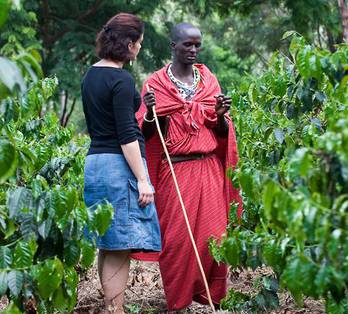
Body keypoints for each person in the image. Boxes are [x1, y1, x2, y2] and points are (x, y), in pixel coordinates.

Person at [131, 22, 242, 311]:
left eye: (197, 45)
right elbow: (145, 134)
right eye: (187, 45)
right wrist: (153, 114)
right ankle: (178, 303)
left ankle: (209, 299)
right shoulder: (156, 84)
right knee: (178, 242)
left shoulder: (209, 82)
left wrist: (219, 116)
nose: (193, 50)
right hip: (174, 171)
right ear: (173, 46)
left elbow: (220, 133)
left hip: (208, 170)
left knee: (214, 237)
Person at [81, 13, 162, 314]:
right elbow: (127, 134)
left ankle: (110, 307)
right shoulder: (121, 79)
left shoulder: (91, 75)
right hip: (118, 165)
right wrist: (142, 178)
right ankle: (116, 310)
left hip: (95, 163)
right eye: (139, 43)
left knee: (108, 240)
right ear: (129, 44)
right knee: (120, 245)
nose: (139, 49)